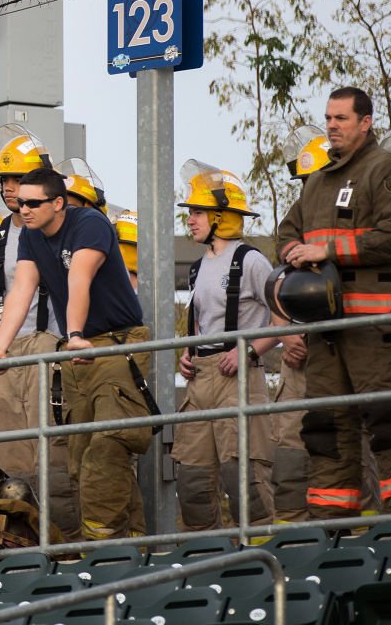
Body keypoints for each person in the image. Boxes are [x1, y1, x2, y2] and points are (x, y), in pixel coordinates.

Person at [277, 87, 391, 518]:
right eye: (328, 118)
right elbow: (286, 233)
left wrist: (326, 251)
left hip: (378, 330)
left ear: (366, 122)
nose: (331, 126)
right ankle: (332, 537)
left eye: (341, 118)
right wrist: (292, 252)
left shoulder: (389, 173)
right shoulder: (319, 180)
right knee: (326, 430)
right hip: (327, 335)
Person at [0, 168, 152, 540]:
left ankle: (103, 550)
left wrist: (74, 334)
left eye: (33, 203)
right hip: (79, 352)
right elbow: (21, 290)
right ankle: (132, 541)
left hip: (117, 344)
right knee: (79, 457)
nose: (23, 209)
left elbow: (79, 278)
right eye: (21, 202)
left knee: (107, 447)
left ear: (58, 203)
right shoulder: (31, 236)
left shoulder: (89, 223)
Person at [172, 162, 283, 531]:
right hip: (201, 380)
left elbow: (283, 322)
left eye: (199, 212)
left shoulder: (250, 260)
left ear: (222, 216)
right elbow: (205, 324)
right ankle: (205, 559)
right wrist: (188, 353)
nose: (191, 219)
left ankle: (262, 561)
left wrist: (249, 350)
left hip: (237, 380)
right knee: (191, 482)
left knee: (245, 479)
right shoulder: (198, 267)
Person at [0, 124, 78, 535]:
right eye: (4, 179)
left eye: (17, 178)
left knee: (53, 452)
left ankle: (67, 540)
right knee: (9, 454)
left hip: (50, 347)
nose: (9, 188)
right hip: (8, 352)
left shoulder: (67, 228)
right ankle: (17, 540)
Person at [269, 124, 329, 523]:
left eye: (315, 179)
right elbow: (279, 285)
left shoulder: (357, 219)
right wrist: (289, 335)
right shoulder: (297, 225)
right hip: (299, 361)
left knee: (344, 444)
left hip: (343, 352)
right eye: (305, 182)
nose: (309, 189)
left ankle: (358, 536)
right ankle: (291, 537)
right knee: (288, 446)